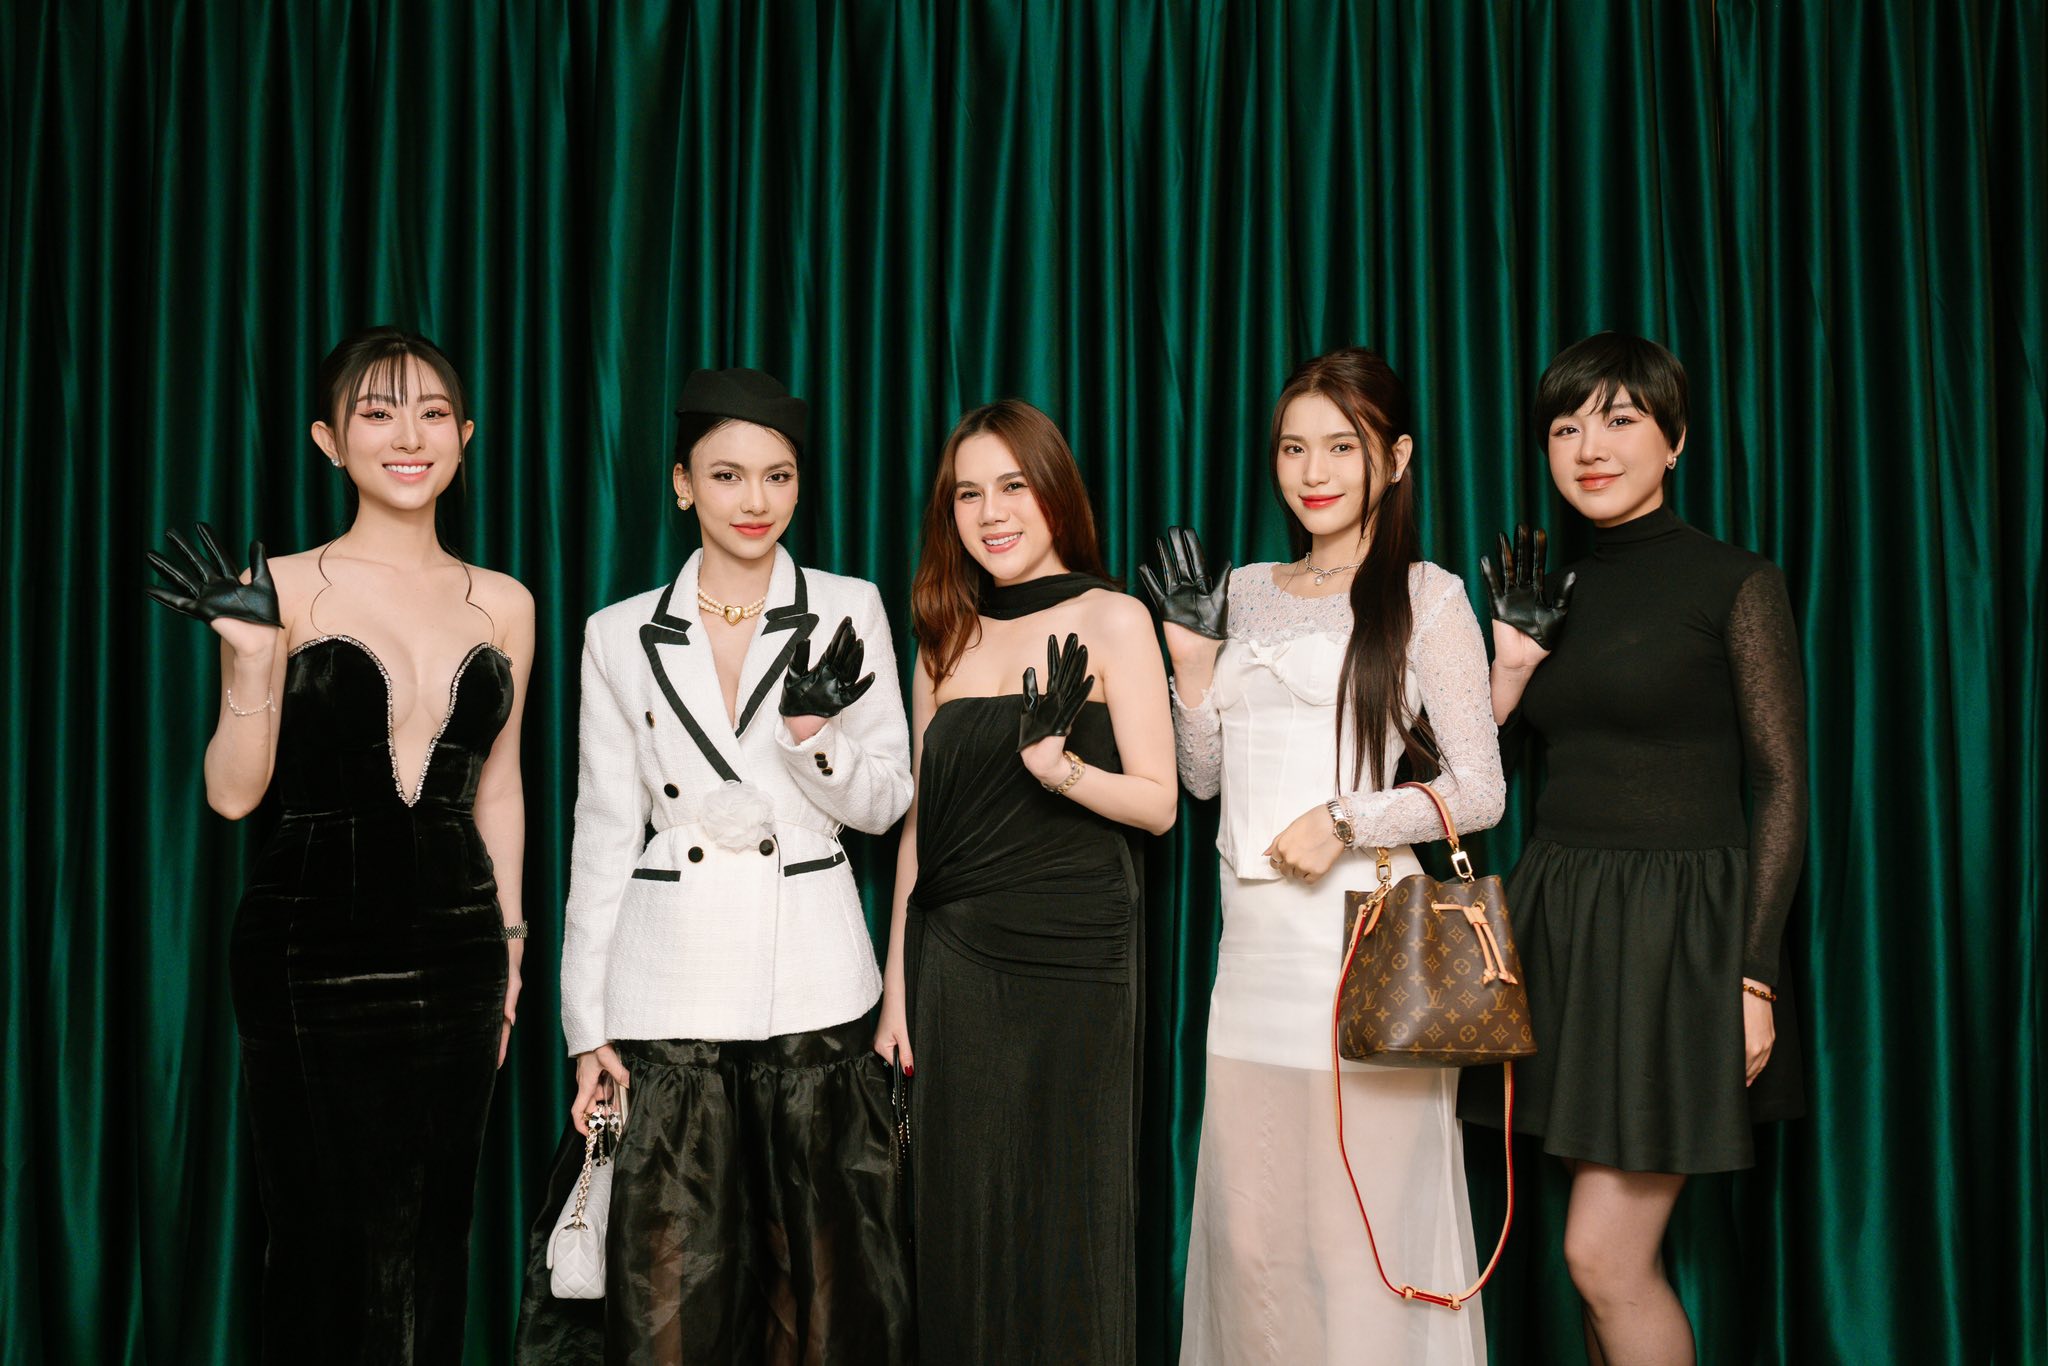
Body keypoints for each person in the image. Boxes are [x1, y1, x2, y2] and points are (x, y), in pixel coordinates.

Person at [144, 326, 533, 1363]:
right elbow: (233, 796)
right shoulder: (279, 583)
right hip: (308, 946)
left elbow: (499, 787)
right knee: (317, 1237)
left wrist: (510, 949)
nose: (408, 436)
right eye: (377, 412)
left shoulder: (505, 602)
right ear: (328, 440)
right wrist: (250, 657)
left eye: (432, 413)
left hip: (458, 950)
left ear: (465, 436)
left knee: (434, 1234)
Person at [516, 367, 914, 1365]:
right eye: (727, 475)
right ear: (683, 482)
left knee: (823, 1293)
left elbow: (885, 800)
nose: (755, 500)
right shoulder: (617, 632)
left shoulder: (848, 606)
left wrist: (812, 737)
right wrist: (585, 1026)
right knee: (672, 1296)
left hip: (812, 988)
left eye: (778, 475)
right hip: (668, 992)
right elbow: (603, 831)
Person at [1460, 331, 1807, 1366]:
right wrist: (1507, 669)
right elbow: (1469, 791)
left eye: (1618, 419)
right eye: (1565, 427)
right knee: (1593, 1265)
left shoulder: (1734, 583)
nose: (1589, 447)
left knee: (1602, 1258)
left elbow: (1781, 783)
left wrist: (1753, 975)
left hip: (1682, 940)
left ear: (1675, 439)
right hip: (1564, 927)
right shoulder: (1544, 594)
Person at [1149, 346, 1500, 1365]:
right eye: (1292, 448)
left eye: (1341, 447)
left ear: (1395, 457)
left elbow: (1479, 790)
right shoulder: (1244, 588)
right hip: (1252, 956)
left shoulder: (1428, 596)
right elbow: (1204, 781)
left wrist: (1343, 820)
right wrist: (1190, 671)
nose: (1313, 471)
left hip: (1364, 951)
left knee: (1355, 1247)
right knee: (1252, 1242)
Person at [873, 398, 1175, 1365]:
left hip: (1076, 955)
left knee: (1067, 1210)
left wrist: (1061, 769)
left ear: (1054, 493)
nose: (991, 512)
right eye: (968, 494)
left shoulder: (1114, 616)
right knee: (961, 1212)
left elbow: (1160, 805)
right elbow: (921, 825)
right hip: (954, 958)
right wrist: (897, 987)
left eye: (1012, 485)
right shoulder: (944, 634)